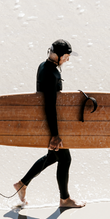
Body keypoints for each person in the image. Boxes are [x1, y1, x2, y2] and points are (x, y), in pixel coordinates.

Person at [14, 39, 85, 209]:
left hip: (45, 121)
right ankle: (65, 199)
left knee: (54, 156)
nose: (67, 59)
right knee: (65, 158)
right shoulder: (51, 74)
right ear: (58, 55)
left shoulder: (44, 67)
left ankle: (22, 184)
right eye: (66, 56)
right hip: (50, 122)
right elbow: (49, 105)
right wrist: (55, 134)